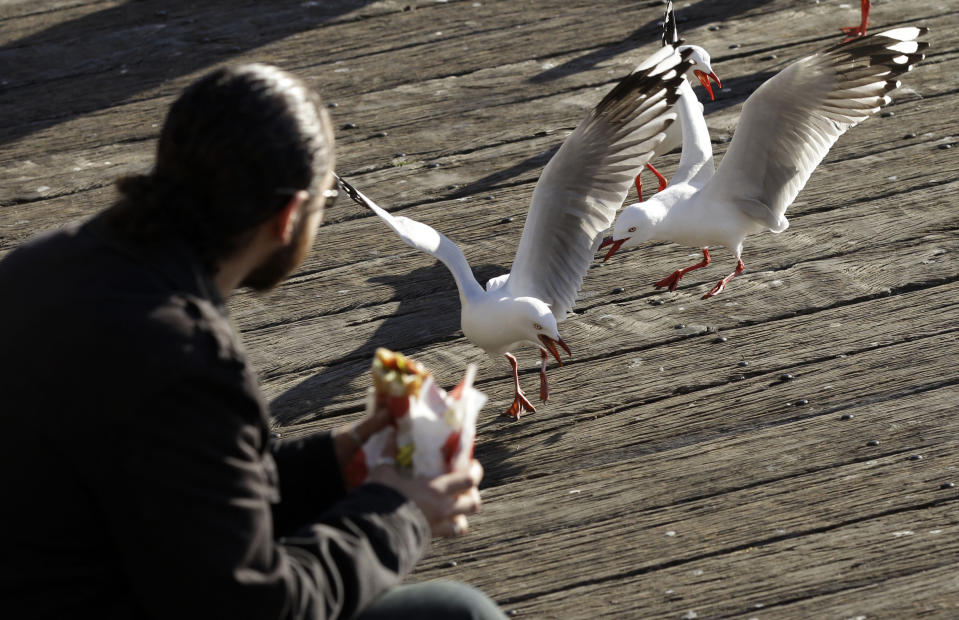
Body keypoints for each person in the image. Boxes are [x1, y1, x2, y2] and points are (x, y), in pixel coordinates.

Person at [0, 63, 506, 620]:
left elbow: (187, 493)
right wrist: (402, 511)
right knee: (454, 612)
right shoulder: (185, 360)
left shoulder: (37, 268)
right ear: (290, 216)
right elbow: (258, 606)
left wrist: (343, 460)